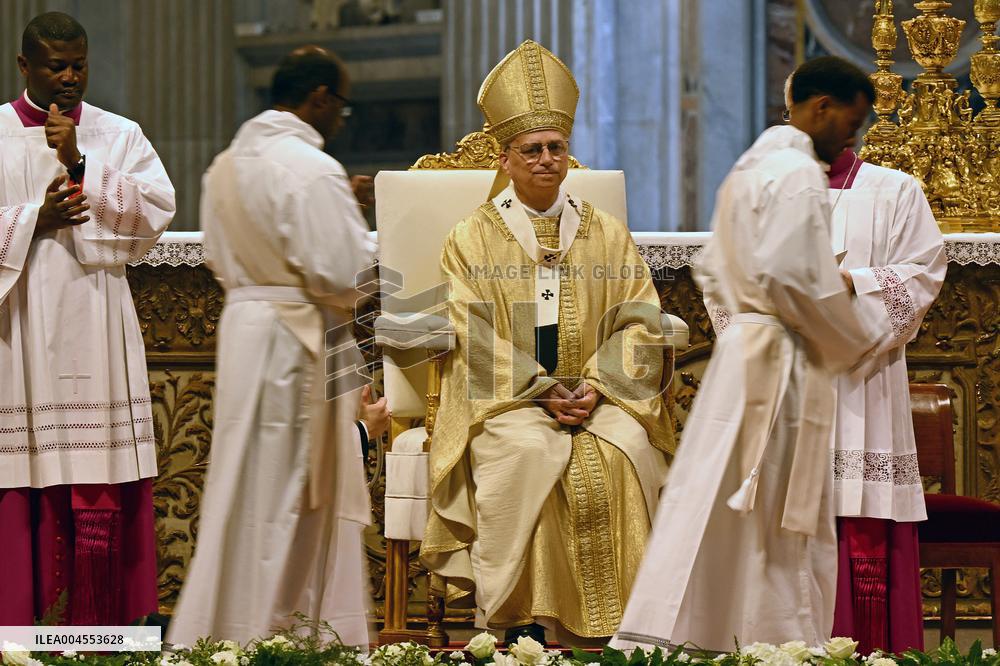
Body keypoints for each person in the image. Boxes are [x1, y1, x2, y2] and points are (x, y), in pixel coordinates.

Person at [613, 56, 881, 652]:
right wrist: (851, 333)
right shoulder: (797, 173)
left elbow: (713, 267)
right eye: (850, 122)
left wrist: (751, 320)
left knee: (714, 503)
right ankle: (775, 644)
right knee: (774, 512)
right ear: (820, 107)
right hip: (779, 362)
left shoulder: (746, 169)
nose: (850, 138)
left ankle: (697, 639)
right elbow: (795, 277)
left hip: (742, 357)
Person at [419, 40, 674, 645]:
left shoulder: (606, 232)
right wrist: (540, 388)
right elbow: (467, 329)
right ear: (504, 159)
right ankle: (521, 628)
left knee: (625, 452)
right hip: (507, 403)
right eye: (531, 150)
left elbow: (642, 317)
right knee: (530, 457)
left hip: (600, 398)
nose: (546, 159)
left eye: (556, 148)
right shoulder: (470, 238)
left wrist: (597, 385)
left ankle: (627, 633)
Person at [167, 47, 378, 646]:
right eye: (340, 105)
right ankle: (285, 637)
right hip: (295, 344)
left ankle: (224, 636)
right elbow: (339, 272)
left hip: (246, 328)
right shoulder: (311, 168)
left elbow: (219, 254)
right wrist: (361, 243)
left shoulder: (225, 165)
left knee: (243, 489)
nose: (340, 119)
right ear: (318, 98)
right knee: (290, 493)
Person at [0, 11, 175, 626]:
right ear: (26, 66)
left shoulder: (116, 133)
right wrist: (34, 221)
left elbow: (155, 212)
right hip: (19, 329)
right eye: (56, 65)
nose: (69, 77)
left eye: (78, 64)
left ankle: (106, 633)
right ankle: (20, 632)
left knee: (99, 465)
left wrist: (80, 164)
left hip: (97, 321)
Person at [780, 76, 946, 654]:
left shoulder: (895, 190)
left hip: (862, 388)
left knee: (858, 512)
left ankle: (869, 648)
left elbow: (922, 273)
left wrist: (853, 282)